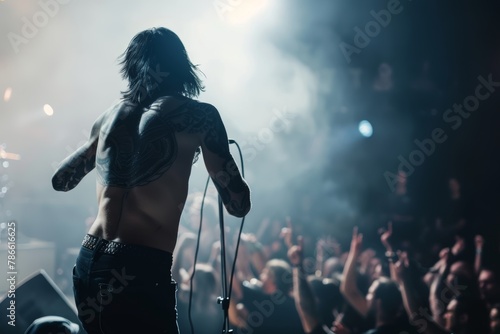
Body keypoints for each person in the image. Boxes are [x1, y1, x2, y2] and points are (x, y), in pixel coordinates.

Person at [52, 27, 251, 334]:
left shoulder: (109, 116)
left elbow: (61, 180)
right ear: (181, 66)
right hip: (138, 265)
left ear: (132, 66)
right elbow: (238, 205)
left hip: (90, 258)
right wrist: (220, 157)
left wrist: (108, 147)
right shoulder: (201, 116)